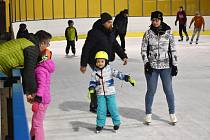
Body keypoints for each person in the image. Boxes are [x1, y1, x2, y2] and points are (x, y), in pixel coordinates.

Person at [80, 12, 128, 113]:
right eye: (109, 22)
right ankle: (100, 106)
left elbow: (115, 44)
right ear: (103, 23)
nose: (111, 24)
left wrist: (123, 56)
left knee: (101, 82)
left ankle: (94, 104)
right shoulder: (94, 33)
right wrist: (83, 64)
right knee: (102, 82)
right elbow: (86, 48)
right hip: (95, 61)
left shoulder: (110, 31)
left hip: (105, 61)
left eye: (111, 21)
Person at [141, 11, 178, 125]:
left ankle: (172, 113)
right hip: (151, 68)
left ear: (161, 20)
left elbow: (173, 49)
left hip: (166, 66)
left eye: (157, 20)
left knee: (168, 90)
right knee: (151, 90)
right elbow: (143, 50)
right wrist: (146, 63)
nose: (155, 22)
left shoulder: (168, 33)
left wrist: (175, 64)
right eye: (153, 20)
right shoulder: (147, 33)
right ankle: (148, 114)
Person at [88, 51, 136, 133]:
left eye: (102, 61)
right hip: (100, 94)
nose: (100, 63)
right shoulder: (94, 73)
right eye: (98, 61)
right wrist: (91, 88)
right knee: (101, 110)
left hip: (110, 94)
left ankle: (116, 123)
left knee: (112, 109)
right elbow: (92, 82)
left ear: (106, 62)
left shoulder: (110, 70)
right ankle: (100, 124)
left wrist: (127, 78)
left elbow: (118, 74)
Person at [0, 30, 52, 101]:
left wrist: (28, 92)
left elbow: (26, 69)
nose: (47, 46)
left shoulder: (26, 41)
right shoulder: (32, 49)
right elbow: (29, 71)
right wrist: (32, 92)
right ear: (42, 43)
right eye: (48, 44)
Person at [30, 50, 55, 140]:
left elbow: (42, 85)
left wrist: (37, 99)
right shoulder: (44, 68)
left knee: (37, 124)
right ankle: (33, 137)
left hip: (41, 100)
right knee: (36, 121)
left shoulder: (40, 70)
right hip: (44, 99)